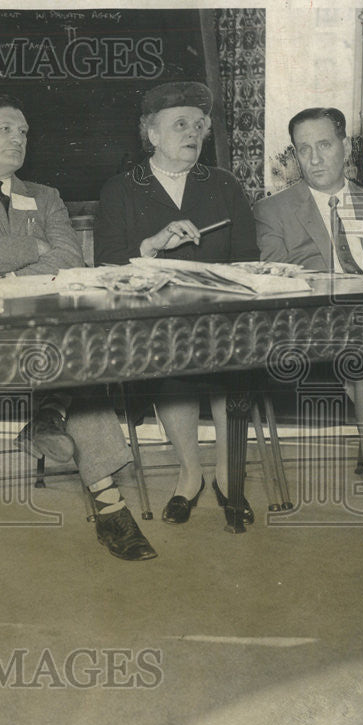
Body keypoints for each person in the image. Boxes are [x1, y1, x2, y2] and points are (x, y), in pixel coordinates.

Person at [0, 94, 157, 561]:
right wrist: (34, 247)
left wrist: (4, 268)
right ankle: (51, 414)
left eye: (24, 132)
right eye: (6, 129)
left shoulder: (45, 195)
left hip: (45, 331)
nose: (18, 140)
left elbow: (71, 257)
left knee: (83, 353)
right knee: (75, 361)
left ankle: (108, 503)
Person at [94, 81, 259, 527]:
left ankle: (228, 476)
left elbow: (248, 260)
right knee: (171, 356)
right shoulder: (121, 189)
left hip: (222, 315)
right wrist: (151, 245)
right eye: (180, 124)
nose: (193, 133)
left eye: (199, 126)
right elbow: (106, 267)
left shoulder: (223, 184)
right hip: (155, 319)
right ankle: (190, 475)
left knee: (233, 355)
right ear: (151, 134)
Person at [254, 106, 363, 550]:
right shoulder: (273, 210)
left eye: (324, 144)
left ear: (345, 146)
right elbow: (277, 272)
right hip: (322, 330)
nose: (315, 157)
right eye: (304, 149)